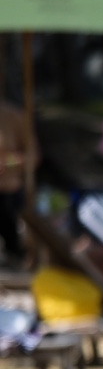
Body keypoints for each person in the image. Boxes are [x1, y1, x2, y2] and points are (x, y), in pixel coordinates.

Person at [0, 95, 33, 266]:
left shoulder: (13, 116)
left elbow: (32, 155)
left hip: (8, 191)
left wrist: (8, 162)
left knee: (11, 236)